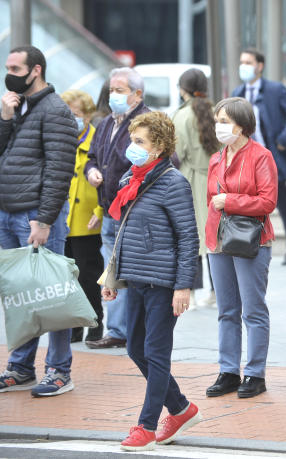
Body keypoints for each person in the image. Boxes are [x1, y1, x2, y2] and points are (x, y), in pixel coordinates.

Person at [101, 111, 201, 451]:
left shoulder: (173, 182)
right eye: (132, 140)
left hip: (163, 280)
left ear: (159, 146)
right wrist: (114, 276)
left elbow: (188, 237)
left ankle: (145, 427)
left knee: (156, 353)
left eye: (140, 141)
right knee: (134, 348)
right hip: (136, 277)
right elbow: (121, 231)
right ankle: (181, 408)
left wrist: (183, 285)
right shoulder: (132, 177)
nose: (133, 146)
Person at [0, 45, 78, 396]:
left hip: (35, 215)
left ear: (36, 70)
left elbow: (60, 170)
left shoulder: (55, 110)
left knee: (51, 292)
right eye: (7, 67)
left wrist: (44, 219)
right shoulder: (16, 108)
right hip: (8, 211)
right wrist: (4, 119)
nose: (9, 73)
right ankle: (20, 366)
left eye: (16, 67)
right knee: (19, 295)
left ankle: (59, 371)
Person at [205, 97, 278, 399]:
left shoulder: (261, 156)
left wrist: (231, 201)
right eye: (217, 120)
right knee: (227, 311)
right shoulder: (216, 158)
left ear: (242, 124)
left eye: (225, 121)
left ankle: (255, 373)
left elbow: (268, 201)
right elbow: (211, 199)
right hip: (219, 240)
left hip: (251, 241)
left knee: (253, 309)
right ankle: (228, 371)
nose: (219, 126)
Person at [85, 67, 150, 349]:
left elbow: (165, 160)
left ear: (137, 94)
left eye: (120, 90)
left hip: (133, 210)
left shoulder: (147, 122)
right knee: (111, 272)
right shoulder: (106, 124)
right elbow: (92, 156)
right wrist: (91, 171)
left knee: (132, 271)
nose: (113, 95)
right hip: (109, 209)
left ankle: (130, 331)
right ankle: (117, 330)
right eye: (111, 90)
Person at [231, 48, 286, 264]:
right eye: (241, 61)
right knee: (248, 203)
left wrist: (284, 140)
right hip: (246, 159)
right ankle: (246, 244)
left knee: (281, 203)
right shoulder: (239, 91)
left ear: (259, 66)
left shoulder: (275, 90)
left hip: (272, 159)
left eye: (248, 62)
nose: (243, 66)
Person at [172, 68, 219, 309]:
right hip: (214, 180)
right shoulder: (214, 111)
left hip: (189, 181)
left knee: (189, 237)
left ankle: (188, 291)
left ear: (182, 89)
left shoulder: (181, 116)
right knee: (212, 237)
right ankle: (216, 291)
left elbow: (177, 154)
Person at [60, 89, 105, 343]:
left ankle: (95, 321)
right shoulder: (62, 138)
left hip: (88, 218)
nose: (72, 118)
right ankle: (74, 325)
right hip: (63, 218)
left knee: (88, 275)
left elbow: (107, 179)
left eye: (75, 114)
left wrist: (99, 211)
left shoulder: (97, 141)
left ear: (87, 115)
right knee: (68, 277)